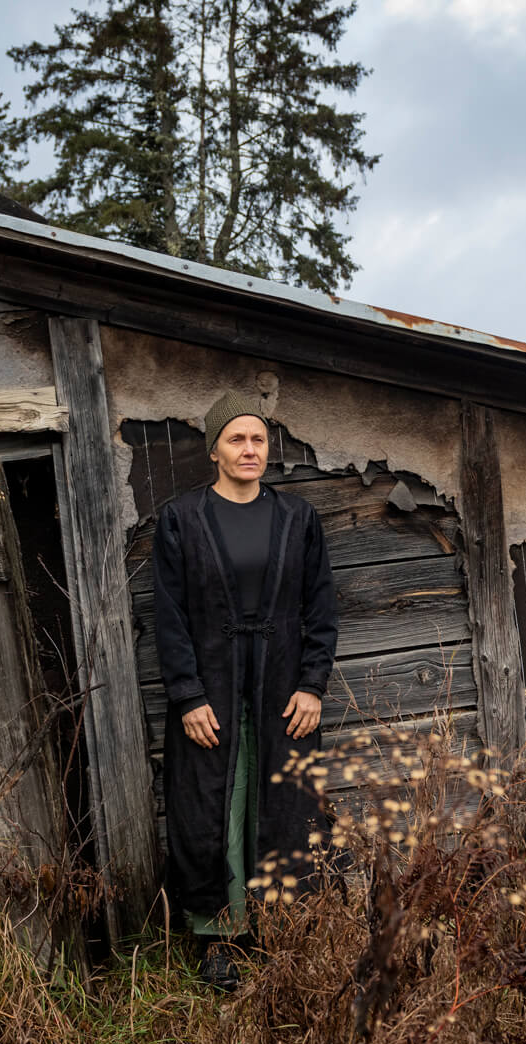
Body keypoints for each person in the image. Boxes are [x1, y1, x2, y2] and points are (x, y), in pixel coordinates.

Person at [151, 390, 339, 991]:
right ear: (214, 450)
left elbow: (322, 610)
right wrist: (186, 694)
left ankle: (283, 930)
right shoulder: (182, 519)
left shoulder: (297, 520)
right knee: (215, 807)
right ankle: (218, 939)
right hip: (213, 689)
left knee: (284, 804)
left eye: (258, 439)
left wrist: (312, 686)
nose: (250, 449)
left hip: (283, 688)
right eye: (237, 438)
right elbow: (169, 615)